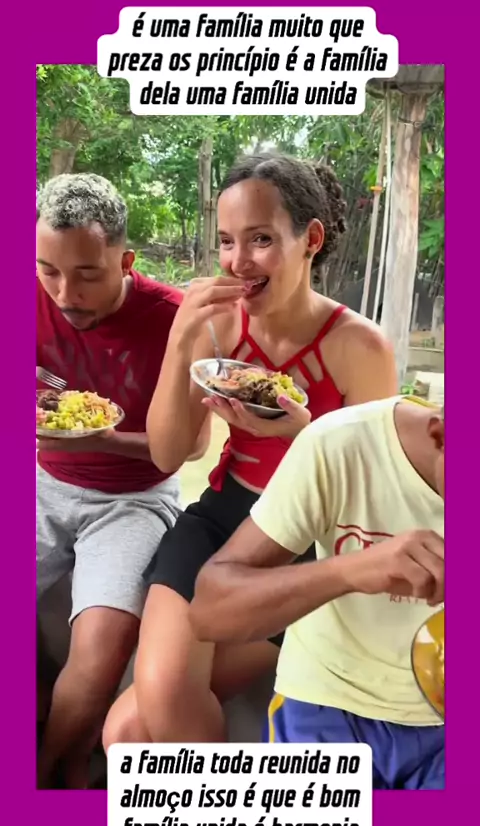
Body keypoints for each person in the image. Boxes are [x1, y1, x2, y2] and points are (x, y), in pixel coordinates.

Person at [103, 153, 398, 748]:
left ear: (310, 239)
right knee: (139, 718)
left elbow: (378, 493)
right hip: (220, 518)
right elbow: (168, 454)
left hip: (305, 542)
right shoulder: (217, 328)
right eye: (226, 241)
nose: (238, 261)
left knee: (128, 730)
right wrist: (181, 338)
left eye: (260, 239)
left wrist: (301, 435)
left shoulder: (360, 346)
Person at [36, 173, 208, 788]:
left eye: (87, 274)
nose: (65, 293)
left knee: (102, 644)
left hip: (134, 497)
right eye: (48, 271)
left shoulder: (172, 319)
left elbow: (192, 448)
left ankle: (47, 777)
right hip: (41, 481)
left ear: (126, 261)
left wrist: (104, 441)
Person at [191, 396, 445, 789]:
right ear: (441, 435)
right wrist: (351, 570)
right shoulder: (344, 443)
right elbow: (210, 613)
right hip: (327, 705)